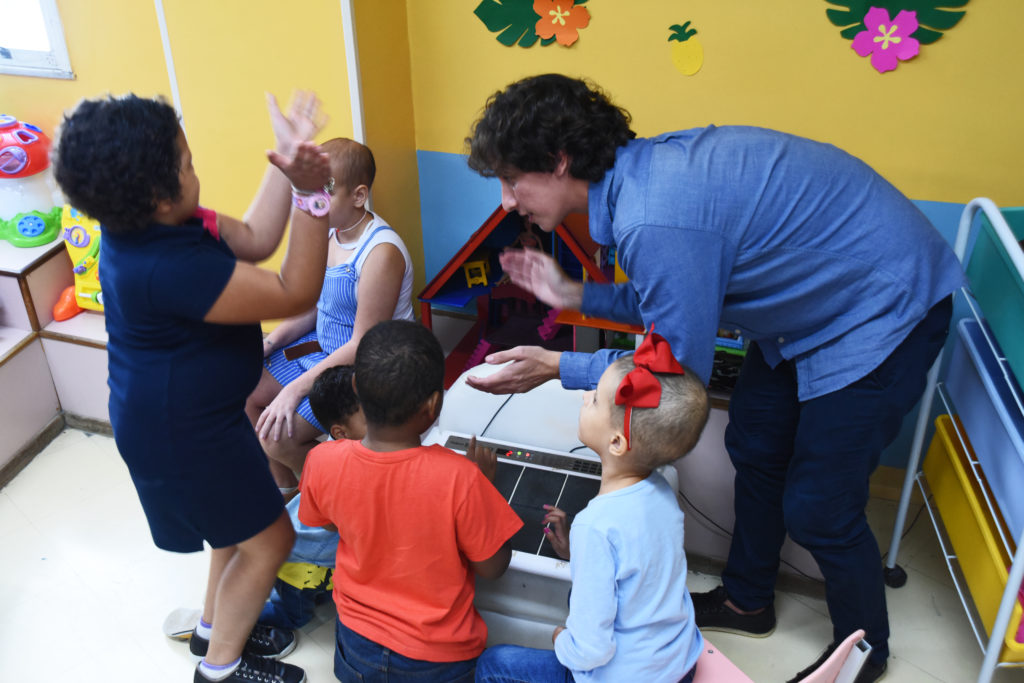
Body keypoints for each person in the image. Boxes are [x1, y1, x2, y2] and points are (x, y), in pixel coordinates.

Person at [463, 73, 965, 682]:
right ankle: (747, 600)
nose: (507, 201)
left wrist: (558, 366)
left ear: (559, 160)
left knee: (819, 508)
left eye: (512, 180)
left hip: (883, 307)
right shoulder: (643, 181)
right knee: (754, 437)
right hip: (808, 313)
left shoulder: (655, 217)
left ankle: (866, 651)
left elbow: (672, 374)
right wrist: (576, 294)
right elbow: (671, 295)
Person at [53, 91, 333, 683]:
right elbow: (294, 290)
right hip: (180, 434)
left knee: (240, 528)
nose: (195, 170)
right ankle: (222, 669)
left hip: (197, 417)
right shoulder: (165, 265)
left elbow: (258, 235)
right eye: (187, 163)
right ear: (158, 195)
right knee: (270, 539)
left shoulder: (163, 225)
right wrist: (311, 193)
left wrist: (285, 163)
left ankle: (214, 628)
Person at [475, 331, 710, 683]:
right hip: (679, 664)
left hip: (625, 677)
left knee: (494, 664)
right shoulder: (662, 491)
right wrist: (579, 553)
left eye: (596, 399)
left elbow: (592, 651)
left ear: (616, 442)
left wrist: (561, 641)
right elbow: (640, 568)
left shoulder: (595, 526)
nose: (585, 396)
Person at [297, 320, 524, 682]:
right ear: (433, 405)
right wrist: (485, 488)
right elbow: (493, 566)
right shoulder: (462, 478)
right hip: (436, 660)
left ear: (357, 387)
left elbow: (328, 521)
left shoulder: (322, 459)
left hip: (356, 642)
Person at [245, 138, 414, 493]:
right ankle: (287, 493)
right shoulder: (328, 232)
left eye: (323, 195)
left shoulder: (381, 252)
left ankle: (343, 498)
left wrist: (292, 390)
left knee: (278, 437)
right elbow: (311, 308)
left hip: (366, 364)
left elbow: (362, 345)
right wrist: (270, 343)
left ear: (358, 195)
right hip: (321, 348)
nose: (311, 205)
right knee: (240, 388)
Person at [258, 365, 365, 630]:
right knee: (295, 614)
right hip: (301, 560)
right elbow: (339, 525)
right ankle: (250, 618)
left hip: (314, 551)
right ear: (342, 432)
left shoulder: (335, 448)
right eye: (373, 416)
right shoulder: (343, 468)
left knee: (319, 587)